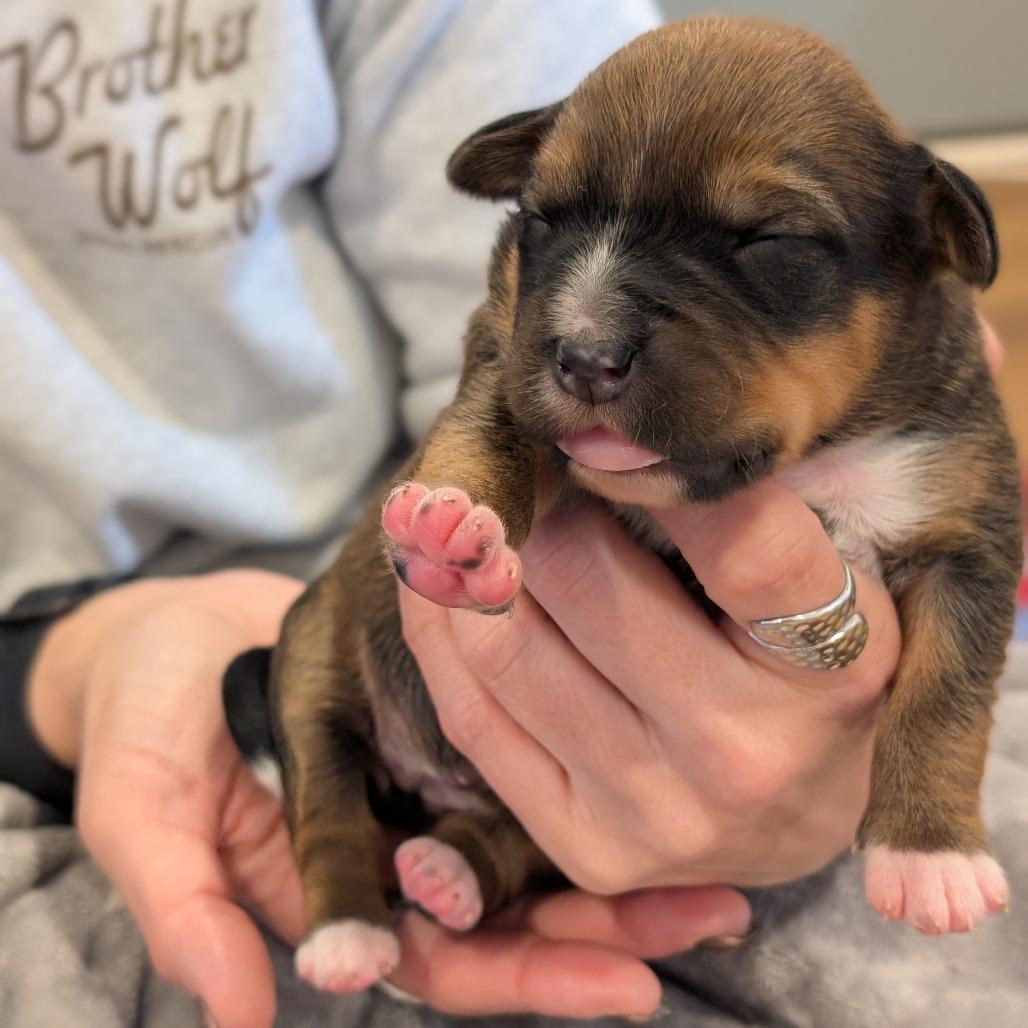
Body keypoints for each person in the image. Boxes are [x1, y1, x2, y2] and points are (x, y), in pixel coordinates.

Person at [0, 4, 1019, 1028]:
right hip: (190, 699)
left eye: (764, 246)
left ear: (925, 245)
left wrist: (907, 792)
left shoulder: (925, 417)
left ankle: (481, 857)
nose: (587, 331)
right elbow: (494, 369)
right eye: (544, 223)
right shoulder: (544, 354)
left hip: (643, 820)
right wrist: (65, 666)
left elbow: (968, 574)